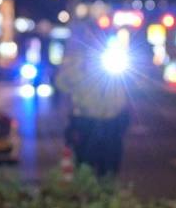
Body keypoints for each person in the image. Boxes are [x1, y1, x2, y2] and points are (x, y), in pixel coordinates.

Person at [56, 31, 133, 177]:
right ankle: (87, 195)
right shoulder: (78, 61)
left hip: (112, 121)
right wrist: (78, 65)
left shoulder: (114, 58)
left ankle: (107, 194)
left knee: (110, 169)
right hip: (85, 121)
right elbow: (61, 83)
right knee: (84, 167)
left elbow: (129, 85)